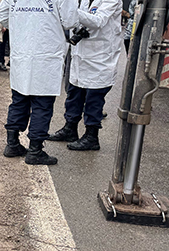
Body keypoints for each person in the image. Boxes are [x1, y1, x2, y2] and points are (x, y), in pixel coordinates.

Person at [0, 0, 79, 165]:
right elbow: (70, 20)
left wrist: (23, 23)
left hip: (22, 52)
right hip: (46, 54)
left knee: (19, 99)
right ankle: (35, 151)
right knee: (42, 104)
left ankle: (12, 144)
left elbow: (2, 15)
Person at [47, 0, 122, 151]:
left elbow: (98, 21)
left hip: (99, 58)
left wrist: (69, 10)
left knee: (94, 100)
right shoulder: (84, 1)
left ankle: (91, 137)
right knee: (74, 95)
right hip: (80, 56)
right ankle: (70, 129)